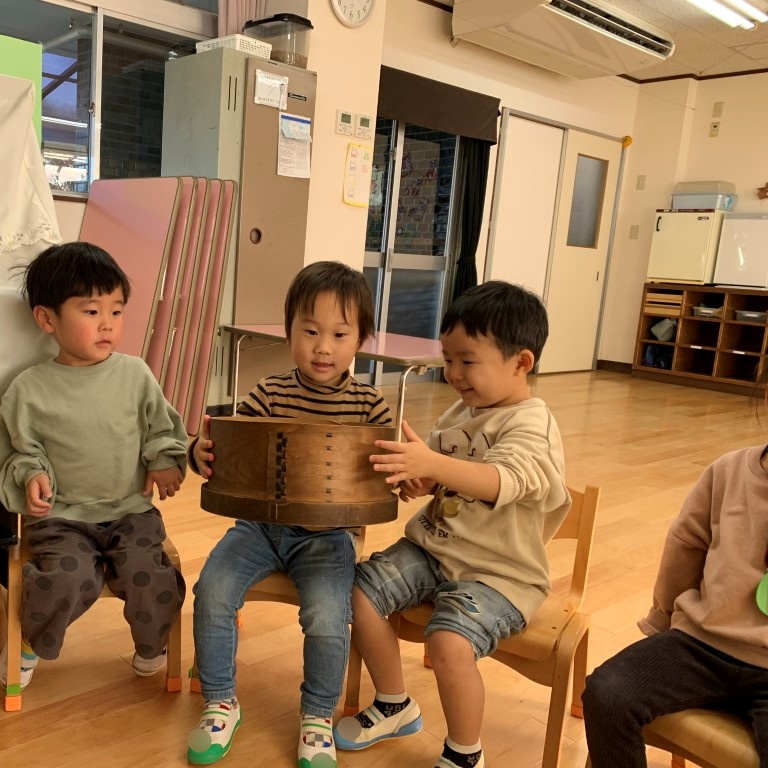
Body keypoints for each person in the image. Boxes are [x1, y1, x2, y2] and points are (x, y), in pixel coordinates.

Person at [185, 261, 423, 768]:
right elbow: (231, 450)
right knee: (212, 591)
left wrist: (412, 477)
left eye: (339, 334)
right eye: (310, 331)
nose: (323, 347)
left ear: (360, 339)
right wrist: (199, 452)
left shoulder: (371, 407)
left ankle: (317, 715)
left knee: (327, 617)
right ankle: (220, 702)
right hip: (259, 528)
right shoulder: (269, 392)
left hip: (328, 536)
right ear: (289, 330)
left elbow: (392, 475)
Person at [333, 280, 571, 768]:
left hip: (500, 575)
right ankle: (394, 703)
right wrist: (420, 480)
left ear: (521, 362)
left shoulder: (531, 424)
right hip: (435, 549)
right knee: (357, 591)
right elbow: (443, 476)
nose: (454, 373)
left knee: (448, 641)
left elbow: (503, 480)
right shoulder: (464, 410)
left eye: (467, 360)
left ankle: (465, 753)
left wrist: (433, 464)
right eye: (448, 358)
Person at [0, 242, 188, 690]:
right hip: (62, 519)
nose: (108, 324)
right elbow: (20, 450)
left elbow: (161, 427)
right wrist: (32, 475)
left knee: (150, 575)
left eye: (116, 311)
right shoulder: (29, 388)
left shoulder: (135, 374)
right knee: (64, 577)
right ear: (47, 319)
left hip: (130, 512)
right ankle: (28, 644)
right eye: (92, 311)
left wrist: (163, 460)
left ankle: (152, 644)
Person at [581, 363, 768, 768]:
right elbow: (684, 548)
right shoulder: (729, 471)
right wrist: (662, 619)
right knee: (607, 693)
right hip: (702, 644)